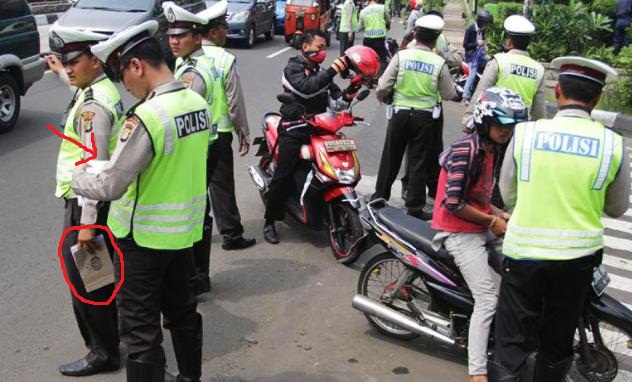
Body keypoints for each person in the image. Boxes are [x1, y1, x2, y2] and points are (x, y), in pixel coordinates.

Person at [72, 20, 210, 381]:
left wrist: (79, 178)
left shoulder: (148, 116)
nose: (126, 88)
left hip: (143, 241)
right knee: (183, 314)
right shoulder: (197, 102)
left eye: (124, 76)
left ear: (137, 66)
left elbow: (113, 184)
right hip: (182, 235)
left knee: (140, 330)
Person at [490, 56, 631, 381]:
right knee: (556, 343)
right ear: (596, 100)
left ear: (557, 92)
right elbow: (617, 208)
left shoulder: (525, 134)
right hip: (577, 261)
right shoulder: (613, 145)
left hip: (524, 253)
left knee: (510, 342)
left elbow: (507, 192)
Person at [432, 87, 528, 382]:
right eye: (500, 125)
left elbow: (480, 195)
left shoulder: (491, 149)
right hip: (458, 231)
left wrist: (500, 214)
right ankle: (477, 372)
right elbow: (454, 202)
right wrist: (491, 221)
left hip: (480, 224)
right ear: (486, 122)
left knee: (520, 271)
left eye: (510, 126)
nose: (506, 131)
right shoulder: (466, 150)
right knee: (486, 298)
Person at [48, 24, 121, 377]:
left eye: (74, 62)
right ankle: (108, 340)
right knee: (97, 277)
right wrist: (61, 71)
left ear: (95, 59)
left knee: (88, 280)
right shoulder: (96, 88)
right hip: (83, 199)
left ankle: (103, 352)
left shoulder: (95, 108)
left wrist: (87, 224)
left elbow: (98, 166)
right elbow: (75, 83)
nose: (69, 69)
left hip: (85, 202)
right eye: (66, 63)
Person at [262, 29, 360, 244]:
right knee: (283, 175)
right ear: (305, 46)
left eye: (324, 48)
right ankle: (270, 221)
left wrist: (350, 91)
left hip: (320, 129)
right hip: (294, 128)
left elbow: (336, 103)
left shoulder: (321, 72)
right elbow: (306, 90)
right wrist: (333, 70)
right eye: (319, 47)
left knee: (334, 166)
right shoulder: (292, 69)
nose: (322, 52)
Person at [372, 15, 460, 220]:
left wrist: (384, 99)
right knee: (418, 160)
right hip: (425, 117)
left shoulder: (401, 56)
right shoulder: (438, 62)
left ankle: (379, 198)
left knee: (390, 158)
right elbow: (448, 94)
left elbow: (383, 86)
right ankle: (414, 207)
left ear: (416, 33)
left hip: (400, 114)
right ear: (437, 37)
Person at [163, 1, 219, 296]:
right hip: (205, 146)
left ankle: (196, 276)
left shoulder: (192, 73)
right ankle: (198, 275)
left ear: (197, 37)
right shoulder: (188, 63)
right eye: (172, 35)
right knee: (199, 209)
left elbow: (178, 113)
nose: (174, 41)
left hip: (198, 151)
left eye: (181, 36)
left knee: (194, 211)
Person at [198, 0, 256, 252]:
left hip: (193, 135)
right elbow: (234, 101)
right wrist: (242, 132)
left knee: (197, 186)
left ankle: (197, 231)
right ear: (213, 32)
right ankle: (231, 235)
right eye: (223, 26)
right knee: (221, 186)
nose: (226, 30)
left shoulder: (187, 60)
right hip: (219, 134)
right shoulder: (224, 59)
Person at [463, 15, 545, 127]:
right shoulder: (539, 69)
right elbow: (538, 111)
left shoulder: (498, 61)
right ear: (528, 43)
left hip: (496, 126)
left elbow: (481, 92)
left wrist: (468, 119)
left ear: (509, 42)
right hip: (521, 129)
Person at [462, 10, 492, 103]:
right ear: (480, 21)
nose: (485, 25)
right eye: (485, 23)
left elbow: (483, 41)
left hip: (480, 55)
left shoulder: (482, 30)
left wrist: (485, 44)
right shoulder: (470, 29)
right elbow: (465, 45)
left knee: (491, 62)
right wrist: (477, 43)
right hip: (471, 56)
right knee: (472, 75)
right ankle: (465, 97)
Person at [358, 0, 391, 79]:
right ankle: (380, 79)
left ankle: (369, 81)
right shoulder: (382, 8)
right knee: (382, 59)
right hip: (379, 38)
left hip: (367, 39)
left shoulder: (363, 11)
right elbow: (388, 21)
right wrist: (387, 27)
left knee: (369, 60)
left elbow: (359, 27)